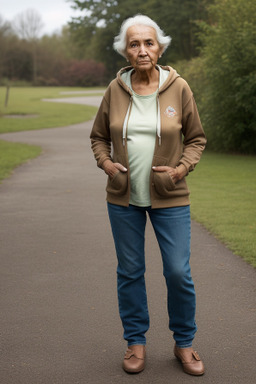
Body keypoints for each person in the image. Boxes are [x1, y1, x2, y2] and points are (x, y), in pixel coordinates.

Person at [90, 14, 206, 376]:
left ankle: (184, 343)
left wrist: (180, 169)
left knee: (177, 272)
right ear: (125, 51)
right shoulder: (115, 88)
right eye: (134, 44)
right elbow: (98, 137)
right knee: (130, 271)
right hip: (122, 198)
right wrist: (106, 163)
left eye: (149, 43)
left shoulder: (179, 87)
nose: (142, 50)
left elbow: (196, 139)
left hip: (170, 197)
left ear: (160, 47)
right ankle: (135, 342)